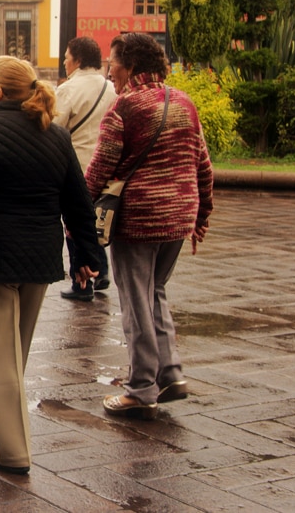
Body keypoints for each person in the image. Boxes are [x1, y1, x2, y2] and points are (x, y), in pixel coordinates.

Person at [0, 56, 102, 474]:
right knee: (14, 353)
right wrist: (85, 256)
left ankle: (12, 451)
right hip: (39, 258)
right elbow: (79, 202)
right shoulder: (56, 135)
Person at [87, 33, 213, 420]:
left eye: (113, 64)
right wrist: (201, 214)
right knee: (154, 291)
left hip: (139, 217)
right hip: (180, 215)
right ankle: (170, 374)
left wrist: (77, 211)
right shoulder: (184, 102)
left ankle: (141, 387)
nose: (110, 72)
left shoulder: (125, 107)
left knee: (136, 301)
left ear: (129, 67)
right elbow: (203, 164)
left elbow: (100, 170)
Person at [53, 36, 116, 301]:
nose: (65, 61)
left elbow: (55, 128)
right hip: (105, 165)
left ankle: (81, 283)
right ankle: (100, 271)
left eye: (67, 56)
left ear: (77, 59)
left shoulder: (68, 89)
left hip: (76, 166)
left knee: (75, 224)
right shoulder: (111, 88)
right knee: (96, 220)